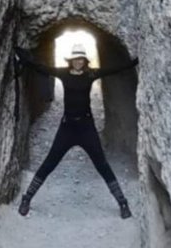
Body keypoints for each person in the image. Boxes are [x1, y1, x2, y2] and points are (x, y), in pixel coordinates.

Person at [14, 42, 138, 219]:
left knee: (102, 165)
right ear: (70, 60)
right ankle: (27, 199)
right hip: (67, 128)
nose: (78, 61)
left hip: (86, 127)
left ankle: (122, 203)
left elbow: (113, 70)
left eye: (81, 58)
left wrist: (133, 63)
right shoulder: (63, 73)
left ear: (84, 60)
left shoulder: (91, 74)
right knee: (49, 163)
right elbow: (42, 68)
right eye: (75, 59)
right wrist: (25, 59)